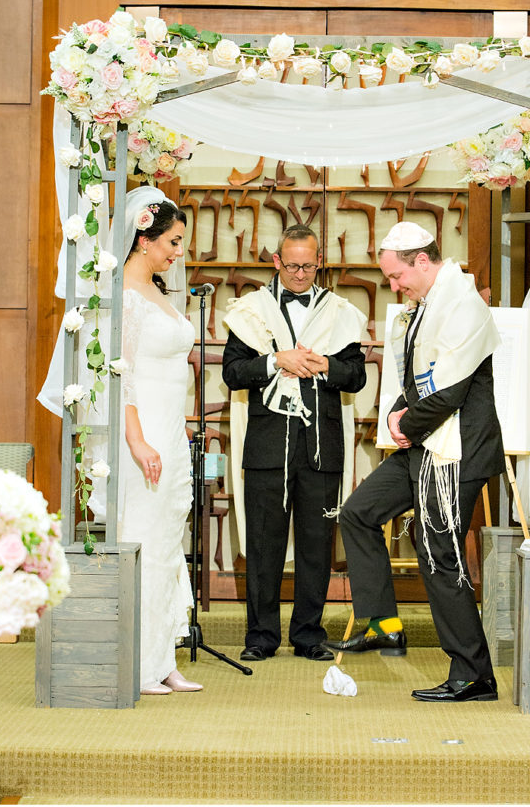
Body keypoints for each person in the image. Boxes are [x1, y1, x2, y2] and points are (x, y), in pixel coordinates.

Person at [323, 221, 505, 703]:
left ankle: (473, 674)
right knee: (359, 513)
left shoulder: (463, 305)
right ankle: (384, 623)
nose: (394, 286)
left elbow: (450, 389)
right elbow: (416, 376)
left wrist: (406, 423)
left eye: (396, 276)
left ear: (421, 261)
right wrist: (398, 413)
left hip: (457, 451)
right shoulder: (427, 305)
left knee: (439, 554)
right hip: (425, 443)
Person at [222, 224, 367, 662]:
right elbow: (233, 372)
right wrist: (274, 361)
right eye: (292, 266)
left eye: (308, 265)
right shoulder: (251, 311)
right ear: (276, 262)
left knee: (316, 545)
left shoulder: (340, 311)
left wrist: (325, 365)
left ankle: (308, 635)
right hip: (266, 444)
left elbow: (356, 377)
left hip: (321, 445)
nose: (300, 274)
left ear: (319, 262)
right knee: (263, 544)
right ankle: (260, 637)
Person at [117, 187, 203, 695]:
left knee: (169, 540)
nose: (177, 252)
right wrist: (137, 439)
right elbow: (119, 376)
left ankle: (163, 655)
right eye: (171, 242)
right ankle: (140, 661)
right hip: (143, 432)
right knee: (146, 539)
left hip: (171, 429)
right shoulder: (125, 296)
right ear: (144, 239)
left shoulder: (159, 292)